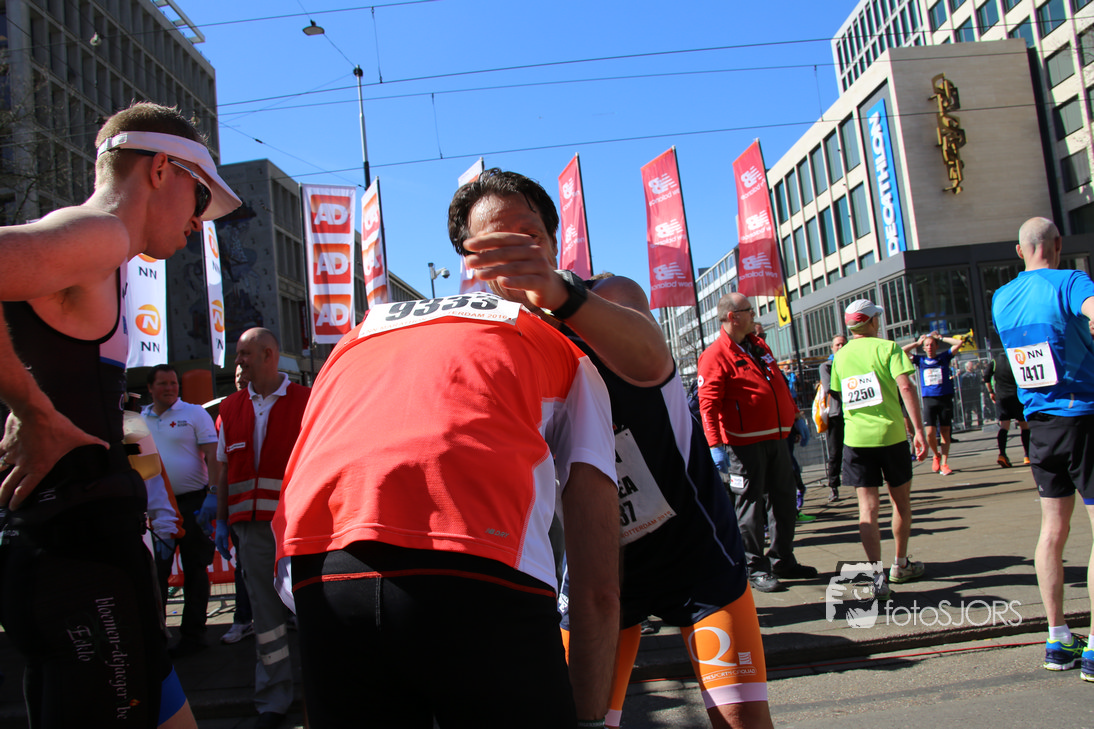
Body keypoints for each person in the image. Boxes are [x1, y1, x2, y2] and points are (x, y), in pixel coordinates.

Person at [454, 169, 772, 729]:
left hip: (694, 551)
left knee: (742, 721)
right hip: (593, 564)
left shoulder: (608, 294)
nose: (517, 253)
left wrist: (559, 295)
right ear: (472, 264)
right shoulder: (491, 344)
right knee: (581, 720)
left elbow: (648, 356)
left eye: (528, 236)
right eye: (495, 246)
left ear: (553, 240)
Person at [0, 101, 240, 728]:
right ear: (160, 169)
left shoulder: (102, 256)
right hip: (76, 559)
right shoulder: (100, 234)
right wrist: (31, 408)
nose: (197, 222)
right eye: (198, 197)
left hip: (88, 548)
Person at [272, 297, 620, 723]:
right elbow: (598, 587)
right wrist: (590, 719)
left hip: (322, 561)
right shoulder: (560, 348)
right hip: (479, 564)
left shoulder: (352, 340)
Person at [991, 216, 1094, 678]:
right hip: (1083, 415)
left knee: (1052, 531)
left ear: (1020, 251)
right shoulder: (1071, 281)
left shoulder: (1002, 297)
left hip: (1040, 426)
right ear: (1058, 244)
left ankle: (1057, 637)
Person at [215, 329, 309, 729]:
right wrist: (221, 519)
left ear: (269, 354)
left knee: (313, 611)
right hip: (252, 532)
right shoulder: (230, 407)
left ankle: (323, 693)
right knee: (267, 620)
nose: (238, 361)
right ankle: (273, 699)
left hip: (300, 529)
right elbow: (224, 470)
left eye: (244, 353)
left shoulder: (307, 402)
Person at [699, 292, 817, 594]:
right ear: (733, 316)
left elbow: (778, 384)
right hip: (744, 445)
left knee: (785, 501)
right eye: (749, 310)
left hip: (776, 437)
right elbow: (708, 404)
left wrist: (795, 416)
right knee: (751, 505)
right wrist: (715, 445)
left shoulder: (758, 346)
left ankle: (783, 559)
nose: (755, 315)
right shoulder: (715, 355)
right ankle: (754, 566)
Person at [830, 300, 928, 600]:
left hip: (857, 440)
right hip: (891, 436)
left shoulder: (840, 356)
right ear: (871, 322)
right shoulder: (889, 348)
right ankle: (900, 563)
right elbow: (906, 387)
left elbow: (838, 394)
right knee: (901, 503)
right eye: (877, 318)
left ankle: (876, 579)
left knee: (867, 509)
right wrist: (919, 430)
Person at [141, 364, 219, 655]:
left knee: (195, 570)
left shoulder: (195, 413)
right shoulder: (139, 420)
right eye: (163, 383)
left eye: (173, 383)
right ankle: (156, 638)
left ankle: (194, 636)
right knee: (155, 574)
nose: (170, 388)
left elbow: (213, 455)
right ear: (150, 388)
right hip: (157, 508)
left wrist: (213, 494)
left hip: (193, 503)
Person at [902, 332, 965, 475]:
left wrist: (941, 338)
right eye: (926, 345)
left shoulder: (944, 357)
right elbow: (902, 351)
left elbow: (959, 343)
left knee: (945, 431)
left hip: (944, 398)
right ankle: (936, 455)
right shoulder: (920, 360)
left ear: (936, 346)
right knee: (930, 433)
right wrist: (917, 343)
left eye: (932, 345)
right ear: (924, 348)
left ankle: (944, 463)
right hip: (929, 399)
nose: (929, 347)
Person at [982, 355, 1031, 468]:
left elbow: (986, 376)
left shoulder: (995, 361)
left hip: (1002, 397)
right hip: (1017, 396)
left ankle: (1002, 454)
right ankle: (1027, 455)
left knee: (1004, 426)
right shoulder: (1017, 357)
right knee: (1024, 425)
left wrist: (991, 392)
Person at [818, 335, 848, 502]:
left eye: (843, 344)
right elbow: (830, 387)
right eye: (838, 345)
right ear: (832, 348)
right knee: (835, 452)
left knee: (855, 450)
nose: (841, 347)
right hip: (836, 414)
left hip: (853, 413)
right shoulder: (826, 366)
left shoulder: (852, 363)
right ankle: (833, 486)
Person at [957, 361, 984, 431]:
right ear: (967, 367)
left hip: (976, 393)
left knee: (978, 408)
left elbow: (979, 382)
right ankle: (968, 423)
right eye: (971, 366)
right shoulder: (964, 376)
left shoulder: (976, 374)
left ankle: (980, 422)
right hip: (968, 395)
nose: (972, 367)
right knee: (968, 409)